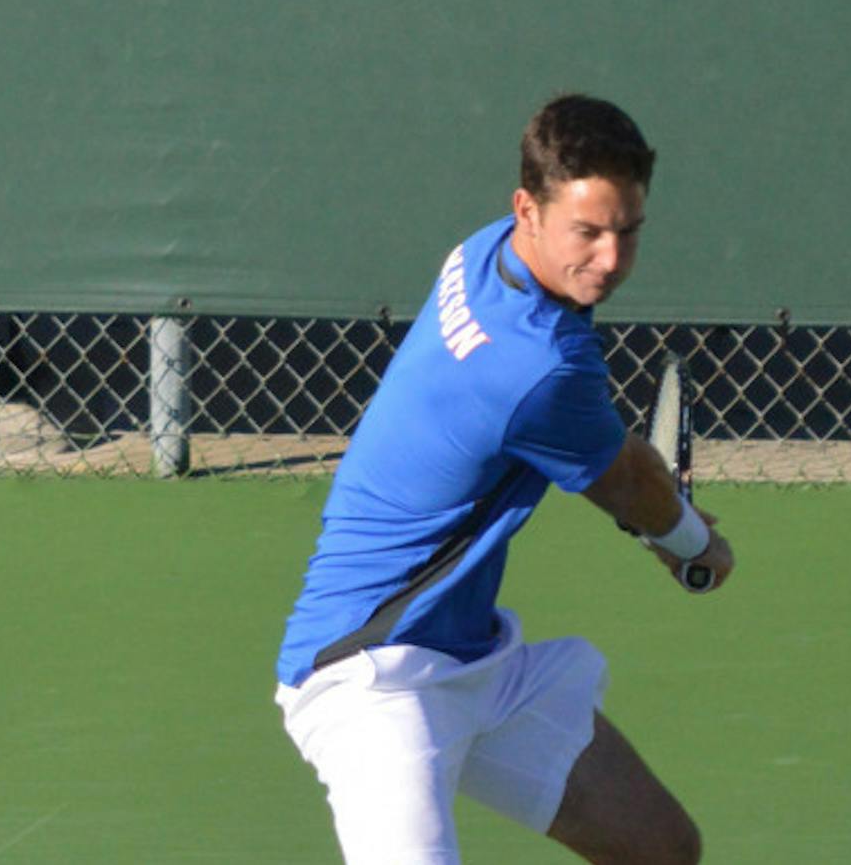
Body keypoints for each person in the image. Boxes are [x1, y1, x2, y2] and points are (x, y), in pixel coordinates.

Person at [274, 94, 735, 864]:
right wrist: (695, 544)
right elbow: (626, 479)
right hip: (372, 676)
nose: (611, 258)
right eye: (588, 232)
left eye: (627, 231)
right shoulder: (537, 365)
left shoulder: (486, 252)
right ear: (529, 209)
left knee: (660, 848)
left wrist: (651, 512)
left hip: (473, 657)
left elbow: (612, 464)